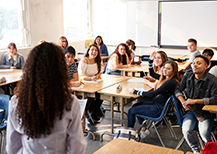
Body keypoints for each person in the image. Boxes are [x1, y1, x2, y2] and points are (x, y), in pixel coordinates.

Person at [6, 42, 86, 153]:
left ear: (30, 70)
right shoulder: (70, 103)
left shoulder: (16, 102)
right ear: (60, 70)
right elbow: (76, 148)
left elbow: (12, 148)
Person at [175, 55, 217, 154]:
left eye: (199, 63)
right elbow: (177, 89)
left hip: (205, 112)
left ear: (206, 66)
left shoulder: (212, 80)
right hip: (191, 111)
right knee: (186, 130)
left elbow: (215, 99)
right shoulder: (188, 76)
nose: (195, 65)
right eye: (193, 63)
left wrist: (195, 101)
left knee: (204, 133)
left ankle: (209, 150)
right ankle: (196, 150)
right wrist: (182, 101)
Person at [128, 61, 179, 139]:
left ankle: (129, 135)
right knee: (136, 105)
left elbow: (152, 94)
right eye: (164, 67)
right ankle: (144, 128)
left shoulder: (170, 82)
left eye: (168, 68)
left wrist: (136, 91)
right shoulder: (167, 79)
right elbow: (153, 74)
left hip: (158, 109)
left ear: (173, 71)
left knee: (131, 111)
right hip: (158, 105)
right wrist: (150, 62)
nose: (165, 70)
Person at [78, 44, 104, 124]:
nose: (94, 52)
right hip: (85, 84)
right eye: (92, 50)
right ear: (88, 51)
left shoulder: (98, 60)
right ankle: (88, 114)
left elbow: (101, 71)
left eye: (96, 50)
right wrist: (91, 78)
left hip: (95, 83)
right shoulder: (84, 61)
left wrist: (96, 76)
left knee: (101, 95)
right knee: (91, 97)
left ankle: (93, 112)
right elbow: (81, 76)